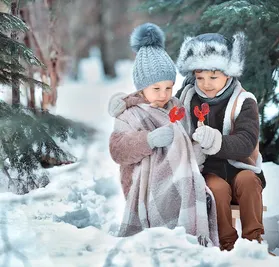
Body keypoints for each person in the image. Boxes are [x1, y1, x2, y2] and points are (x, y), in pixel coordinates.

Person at [108, 23, 218, 246]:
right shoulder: (130, 114)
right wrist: (148, 140)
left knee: (188, 182)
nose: (163, 94)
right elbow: (118, 150)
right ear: (142, 88)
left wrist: (196, 148)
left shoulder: (175, 106)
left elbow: (185, 138)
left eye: (168, 88)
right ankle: (161, 229)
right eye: (156, 89)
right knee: (163, 190)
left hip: (179, 173)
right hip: (145, 179)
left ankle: (187, 231)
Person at [174, 32, 267, 251]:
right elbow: (167, 114)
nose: (206, 84)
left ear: (228, 74)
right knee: (216, 189)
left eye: (213, 77)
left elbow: (246, 141)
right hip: (208, 171)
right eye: (200, 77)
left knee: (247, 182)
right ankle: (226, 243)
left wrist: (217, 141)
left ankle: (254, 240)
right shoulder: (187, 97)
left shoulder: (244, 100)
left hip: (241, 167)